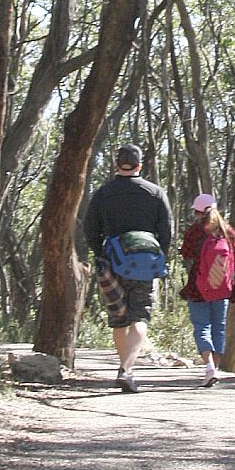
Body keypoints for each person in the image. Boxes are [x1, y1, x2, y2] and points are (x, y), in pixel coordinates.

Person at [84, 144, 173, 393]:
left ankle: (126, 368)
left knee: (119, 319)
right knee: (140, 316)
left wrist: (100, 253)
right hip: (146, 263)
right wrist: (157, 256)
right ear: (139, 166)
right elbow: (167, 231)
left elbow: (90, 228)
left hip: (113, 262)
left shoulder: (103, 193)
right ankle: (127, 369)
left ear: (116, 164)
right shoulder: (155, 193)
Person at [179, 193, 235, 387]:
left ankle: (209, 367)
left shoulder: (195, 231)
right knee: (219, 327)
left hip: (197, 288)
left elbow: (185, 252)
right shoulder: (228, 232)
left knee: (202, 326)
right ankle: (214, 370)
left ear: (197, 211)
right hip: (222, 289)